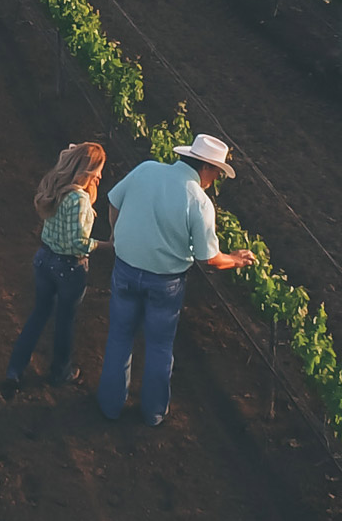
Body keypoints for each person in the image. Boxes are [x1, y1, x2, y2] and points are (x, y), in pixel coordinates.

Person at [97, 134, 254, 427]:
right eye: (217, 172)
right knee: (159, 347)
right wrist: (235, 259)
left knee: (119, 337)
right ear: (206, 167)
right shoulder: (199, 201)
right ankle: (153, 413)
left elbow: (113, 202)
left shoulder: (146, 169)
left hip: (126, 270)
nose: (215, 179)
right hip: (165, 284)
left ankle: (110, 406)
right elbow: (209, 259)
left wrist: (118, 234)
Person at [1, 141, 106, 397]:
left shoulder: (57, 187)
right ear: (89, 171)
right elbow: (77, 243)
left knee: (38, 314)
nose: (101, 176)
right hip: (68, 269)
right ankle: (61, 372)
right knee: (65, 320)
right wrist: (106, 245)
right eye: (99, 170)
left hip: (43, 260)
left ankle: (14, 370)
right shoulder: (79, 199)